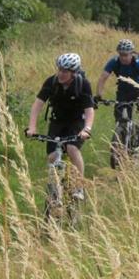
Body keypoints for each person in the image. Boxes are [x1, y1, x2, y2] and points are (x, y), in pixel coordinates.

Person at [26, 53, 94, 201]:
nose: (61, 74)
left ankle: (79, 186)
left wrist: (87, 129)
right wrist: (32, 127)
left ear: (73, 73)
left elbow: (89, 110)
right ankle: (53, 191)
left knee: (72, 148)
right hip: (57, 122)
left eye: (65, 71)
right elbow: (37, 105)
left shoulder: (83, 84)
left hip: (76, 122)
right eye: (60, 70)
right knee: (52, 157)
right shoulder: (51, 82)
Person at [95, 39, 139, 132]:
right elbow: (102, 78)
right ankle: (121, 133)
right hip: (123, 90)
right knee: (119, 115)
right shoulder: (114, 61)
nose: (123, 58)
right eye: (121, 54)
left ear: (131, 54)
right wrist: (99, 95)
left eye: (126, 55)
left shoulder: (138, 62)